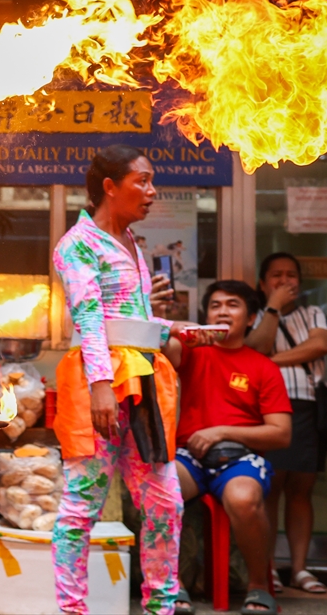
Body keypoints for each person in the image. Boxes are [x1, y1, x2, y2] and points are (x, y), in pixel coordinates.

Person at [50, 144, 191, 615]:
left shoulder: (131, 240)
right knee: (81, 507)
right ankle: (73, 610)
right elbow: (90, 317)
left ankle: (160, 608)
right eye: (142, 181)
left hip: (143, 380)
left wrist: (173, 329)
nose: (152, 192)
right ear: (110, 187)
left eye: (152, 181)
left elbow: (129, 319)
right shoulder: (77, 244)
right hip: (100, 384)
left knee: (165, 502)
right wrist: (101, 386)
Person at [169, 280, 292, 615]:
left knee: (243, 499)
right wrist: (167, 322)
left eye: (233, 305)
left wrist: (221, 431)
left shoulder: (264, 366)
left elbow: (281, 434)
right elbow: (163, 348)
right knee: (162, 487)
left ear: (251, 318)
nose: (222, 311)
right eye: (215, 305)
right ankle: (170, 584)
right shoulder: (192, 352)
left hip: (241, 460)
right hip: (190, 458)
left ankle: (258, 587)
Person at [244, 251, 327, 595]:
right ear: (262, 282)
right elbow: (257, 346)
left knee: (301, 490)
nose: (284, 281)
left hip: (307, 406)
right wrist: (273, 307)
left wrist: (272, 362)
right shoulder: (254, 316)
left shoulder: (313, 313)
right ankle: (266, 568)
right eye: (276, 275)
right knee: (269, 487)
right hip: (267, 409)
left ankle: (299, 569)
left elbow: (320, 344)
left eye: (291, 275)